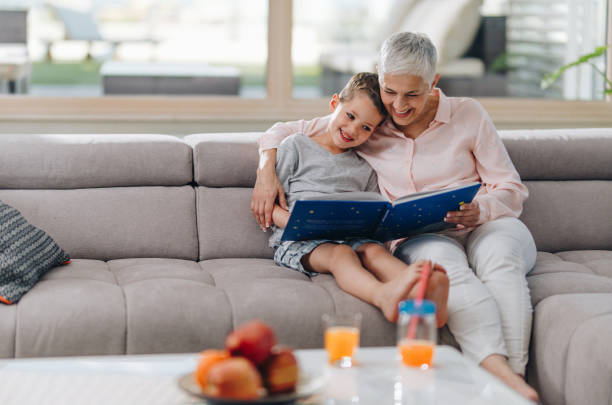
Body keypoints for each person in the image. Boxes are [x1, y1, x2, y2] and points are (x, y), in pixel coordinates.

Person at [251, 33, 539, 402]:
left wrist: (480, 209)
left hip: (489, 222)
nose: (399, 106)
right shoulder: (372, 122)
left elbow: (510, 188)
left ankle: (511, 381)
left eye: (412, 95)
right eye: (390, 91)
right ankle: (506, 383)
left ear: (433, 84)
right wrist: (265, 169)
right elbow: (291, 131)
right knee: (447, 273)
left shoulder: (468, 114)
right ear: (380, 77)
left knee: (499, 262)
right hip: (427, 235)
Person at [266, 72, 449, 324]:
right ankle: (383, 296)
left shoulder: (364, 164)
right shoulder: (296, 146)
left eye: (366, 128)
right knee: (341, 254)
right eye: (350, 116)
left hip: (351, 236)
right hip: (300, 239)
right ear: (334, 104)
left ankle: (422, 288)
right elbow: (270, 206)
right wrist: (296, 221)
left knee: (373, 251)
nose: (353, 130)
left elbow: (374, 210)